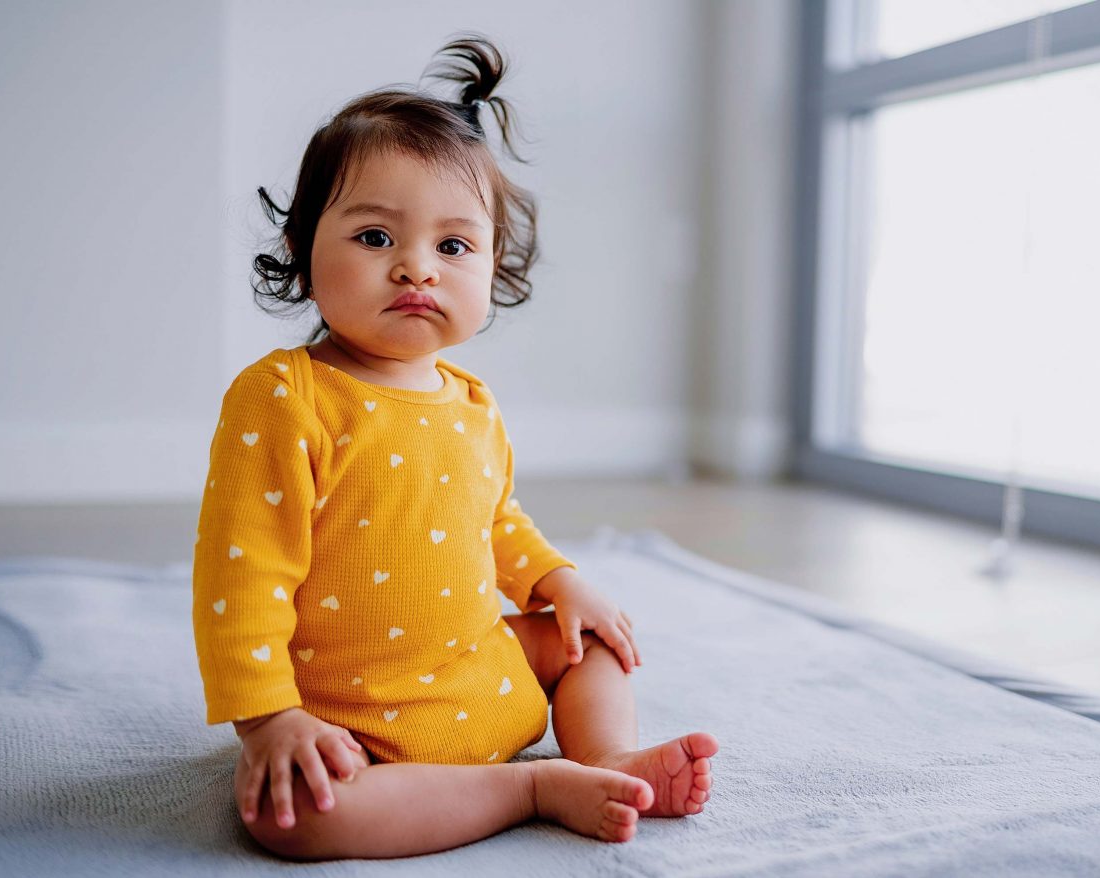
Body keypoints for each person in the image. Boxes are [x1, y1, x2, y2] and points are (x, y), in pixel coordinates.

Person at [191, 34, 718, 861]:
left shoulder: (471, 402)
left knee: (595, 641)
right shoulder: (286, 397)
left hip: (477, 665)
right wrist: (268, 720)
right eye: (375, 238)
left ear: (492, 265)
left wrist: (558, 581)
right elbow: (242, 572)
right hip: (348, 717)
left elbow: (495, 520)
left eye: (453, 246)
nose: (416, 269)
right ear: (301, 249)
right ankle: (531, 788)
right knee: (289, 818)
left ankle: (608, 758)